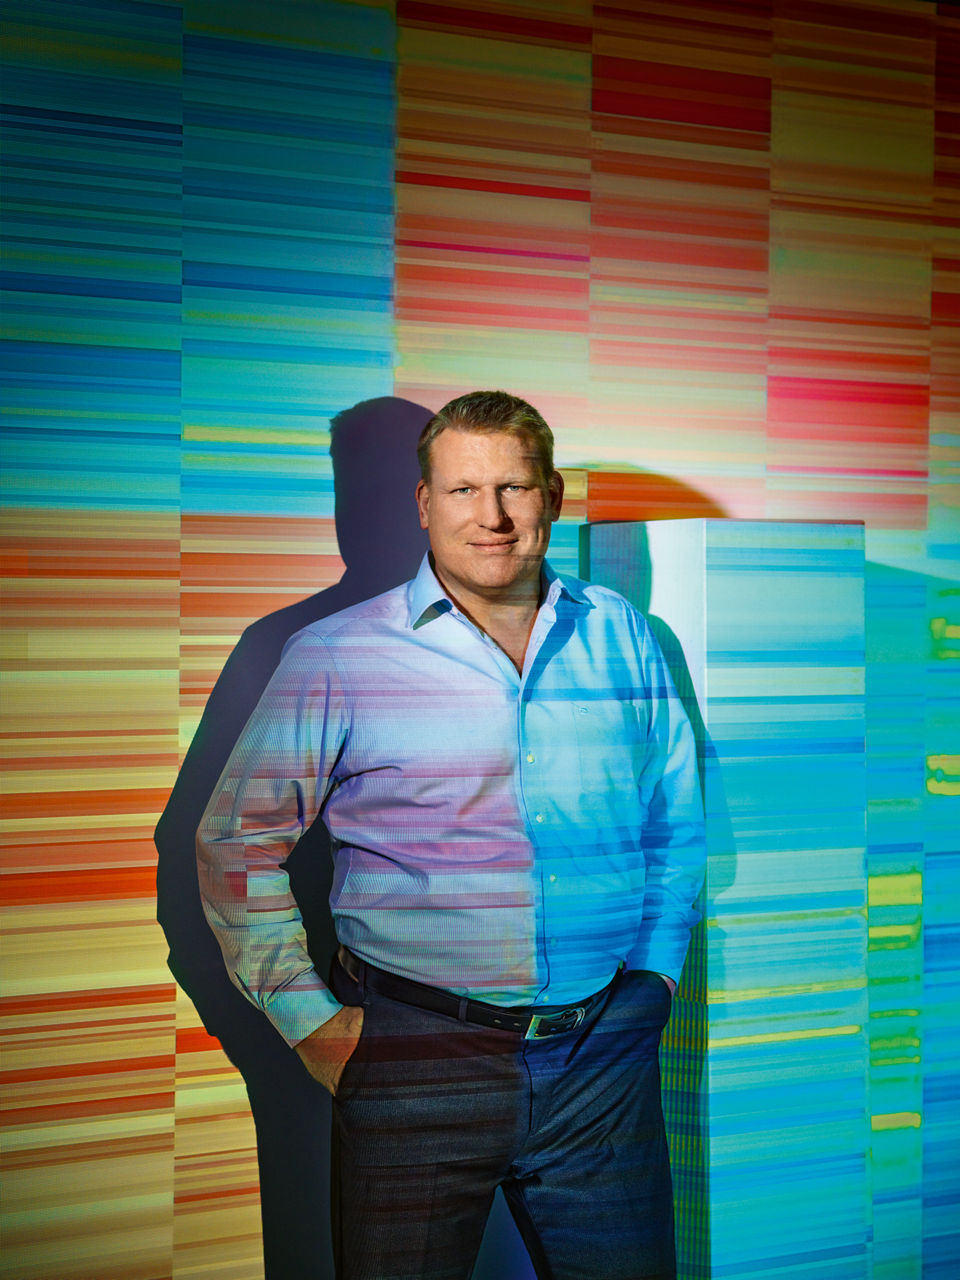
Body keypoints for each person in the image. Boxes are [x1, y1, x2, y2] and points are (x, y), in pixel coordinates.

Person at [196, 390, 706, 1280]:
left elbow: (674, 817)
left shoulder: (623, 633)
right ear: (423, 504)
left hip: (603, 1064)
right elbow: (238, 841)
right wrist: (311, 1022)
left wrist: (656, 978)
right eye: (465, 490)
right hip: (415, 1061)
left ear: (551, 495)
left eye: (514, 487)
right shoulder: (337, 654)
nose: (494, 516)